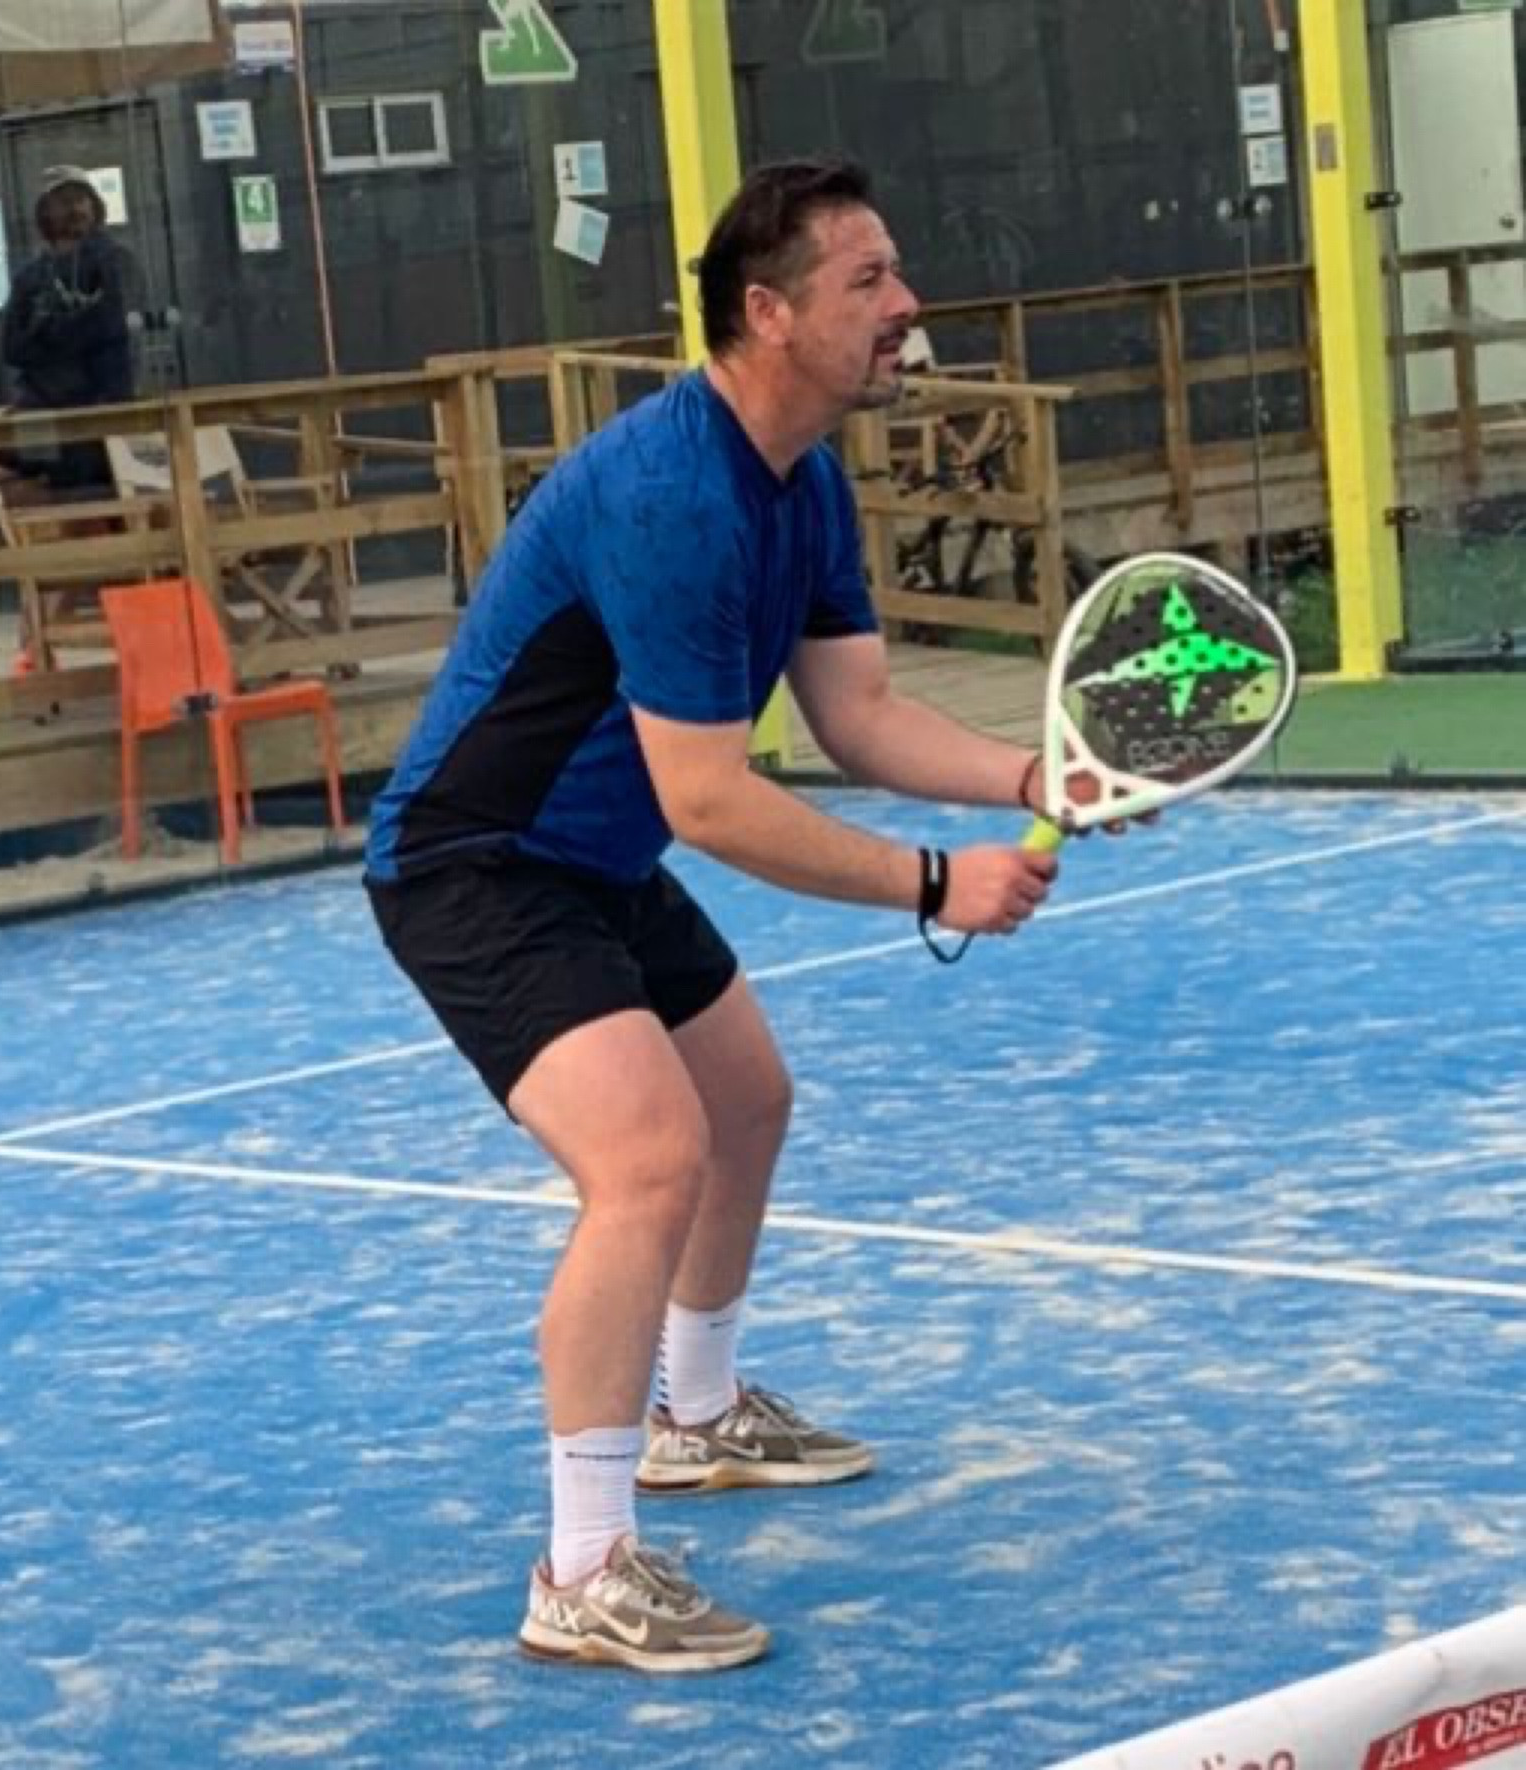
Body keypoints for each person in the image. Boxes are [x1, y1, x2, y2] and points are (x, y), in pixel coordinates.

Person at [365, 157, 1095, 1674]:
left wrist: (1034, 774)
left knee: (747, 1099)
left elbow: (859, 714)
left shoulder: (804, 477)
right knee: (649, 1158)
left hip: (596, 859)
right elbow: (707, 800)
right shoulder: (672, 497)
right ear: (767, 313)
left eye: (896, 274)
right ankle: (582, 1567)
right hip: (475, 864)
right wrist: (935, 881)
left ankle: (694, 1415)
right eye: (869, 281)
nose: (907, 306)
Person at [0, 165, 139, 492]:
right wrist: (72, 330)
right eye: (63, 201)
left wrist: (48, 332)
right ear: (45, 213)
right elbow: (11, 348)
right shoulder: (30, 277)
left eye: (81, 198)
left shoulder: (117, 262)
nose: (75, 208)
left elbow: (112, 327)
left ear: (95, 205)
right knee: (39, 493)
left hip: (104, 412)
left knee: (111, 496)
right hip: (42, 413)